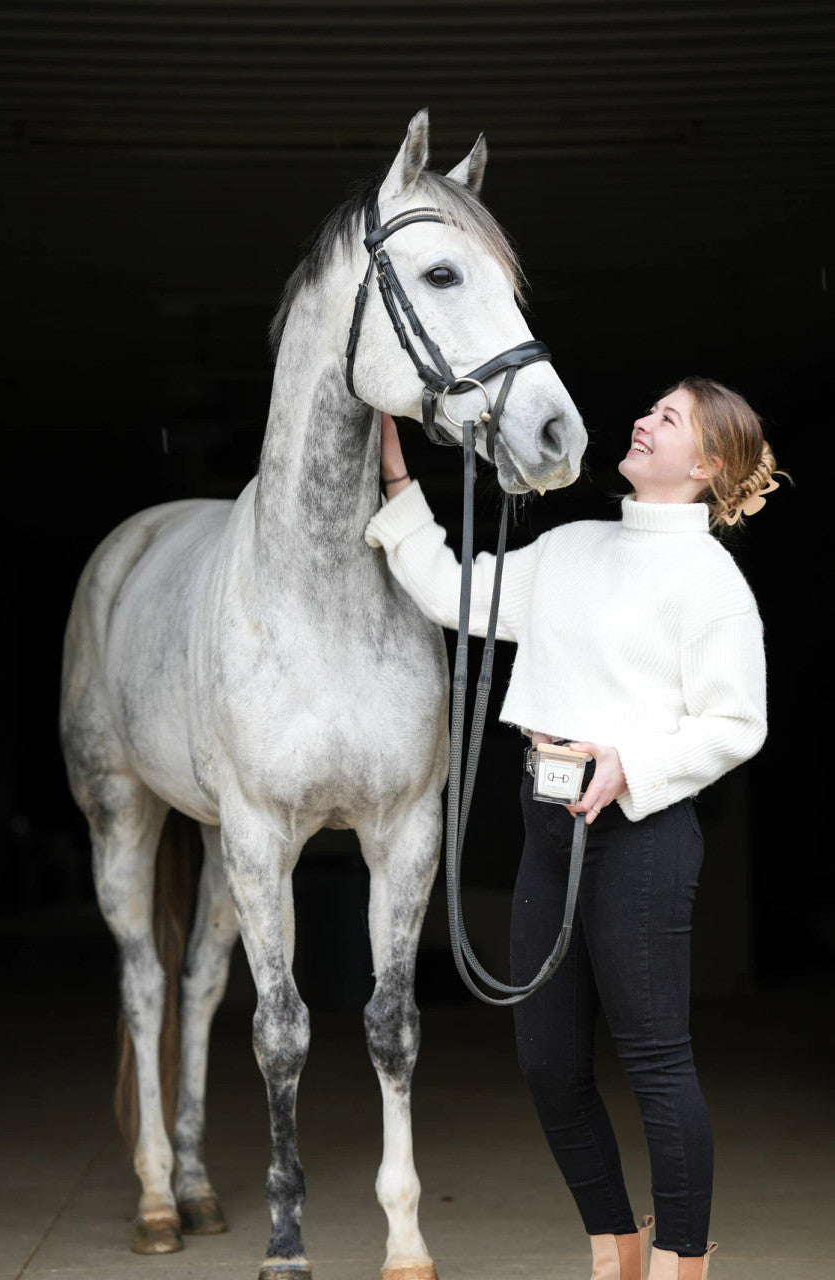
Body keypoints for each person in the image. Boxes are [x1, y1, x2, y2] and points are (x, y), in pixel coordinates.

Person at [364, 377, 783, 1280]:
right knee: (547, 1063)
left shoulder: (710, 581)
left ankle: (678, 1264)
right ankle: (614, 1250)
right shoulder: (571, 547)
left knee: (655, 1064)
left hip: (642, 835)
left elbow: (736, 724)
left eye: (666, 419)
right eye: (651, 408)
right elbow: (452, 593)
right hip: (545, 826)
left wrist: (629, 761)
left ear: (705, 465)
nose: (642, 419)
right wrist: (400, 486)